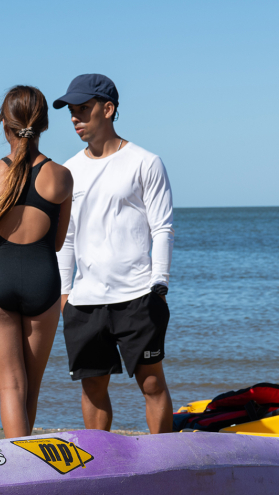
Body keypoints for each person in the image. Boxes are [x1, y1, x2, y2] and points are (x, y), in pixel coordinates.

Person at [53, 74, 175, 434]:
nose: (75, 117)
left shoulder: (145, 162)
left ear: (108, 109)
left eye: (83, 109)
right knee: (93, 387)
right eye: (72, 111)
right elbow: (68, 237)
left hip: (139, 294)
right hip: (85, 300)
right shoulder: (69, 170)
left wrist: (160, 281)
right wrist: (64, 295)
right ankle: (98, 468)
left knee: (151, 384)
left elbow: (162, 228)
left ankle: (166, 465)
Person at [0, 86, 73, 438]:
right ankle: (29, 464)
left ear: (4, 124)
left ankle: (18, 466)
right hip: (42, 280)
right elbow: (57, 243)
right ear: (43, 125)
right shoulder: (61, 176)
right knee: (31, 385)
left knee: (10, 387)